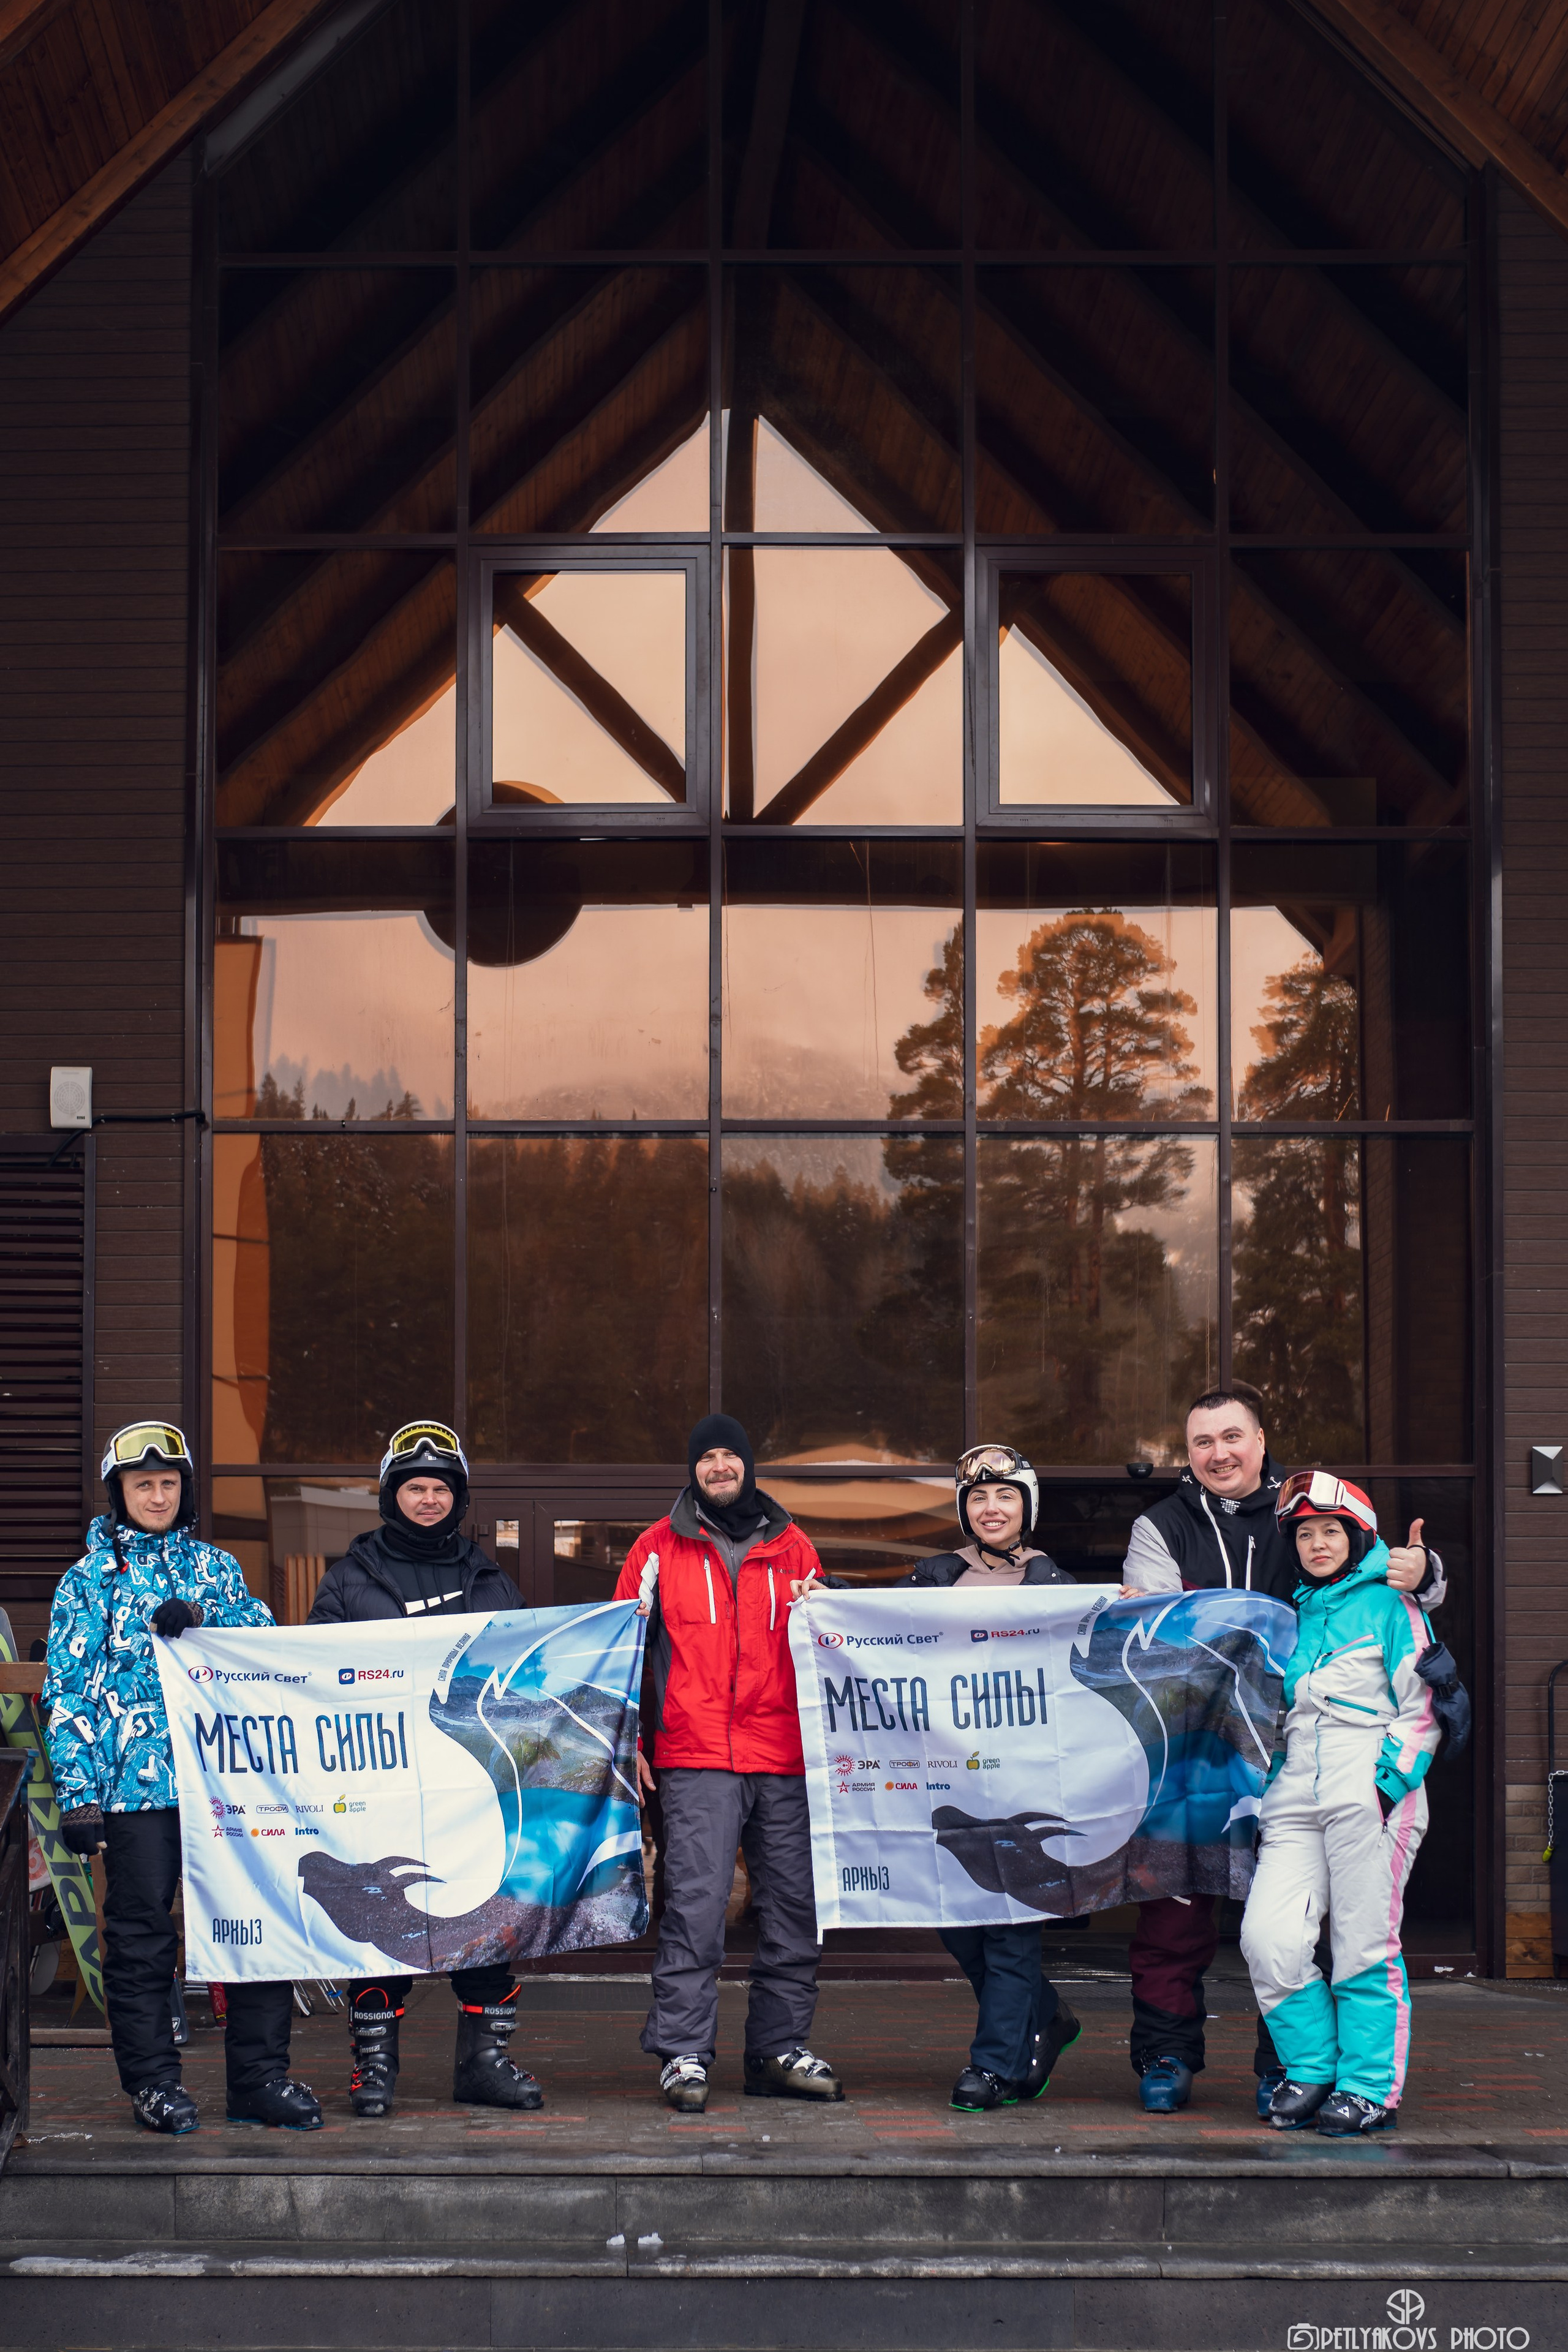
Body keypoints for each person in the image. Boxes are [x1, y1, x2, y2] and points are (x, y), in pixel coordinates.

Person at [1119, 1384, 1446, 2115]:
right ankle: (1168, 2054)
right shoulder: (1161, 1524)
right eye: (1202, 1442)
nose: (1218, 1453)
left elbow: (1392, 1587)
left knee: (1343, 1937)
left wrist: (1427, 1576)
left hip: (1308, 1764)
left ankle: (1309, 2075)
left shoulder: (1306, 1513)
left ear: (1261, 1441)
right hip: (1198, 1753)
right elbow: (1157, 1632)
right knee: (1188, 1917)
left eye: (1232, 1437)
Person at [42, 1422, 320, 2134]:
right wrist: (79, 1796)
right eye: (143, 1485)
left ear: (184, 1489)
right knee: (141, 1937)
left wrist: (204, 1617)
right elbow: (68, 1691)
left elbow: (262, 1641)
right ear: (119, 1493)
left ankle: (258, 2079)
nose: (157, 1495)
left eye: (168, 1484)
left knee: (256, 1928)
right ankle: (154, 2085)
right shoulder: (87, 1581)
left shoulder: (216, 1567)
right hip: (136, 1793)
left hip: (225, 1784)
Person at [307, 1419, 543, 2117]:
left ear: (456, 1497)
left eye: (440, 1488)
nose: (429, 1500)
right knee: (382, 1922)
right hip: (380, 1782)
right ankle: (373, 2067)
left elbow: (528, 1675)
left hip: (469, 1787)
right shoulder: (348, 1581)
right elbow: (314, 1671)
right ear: (391, 1495)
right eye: (415, 1487)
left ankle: (485, 2064)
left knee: (488, 1918)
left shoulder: (490, 1579)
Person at [613, 1413, 843, 2114]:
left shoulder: (794, 1545)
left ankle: (778, 2048)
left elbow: (834, 1644)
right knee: (695, 1908)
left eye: (728, 1456)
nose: (718, 1467)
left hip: (783, 1757)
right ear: (693, 1470)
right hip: (695, 1755)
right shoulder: (655, 1549)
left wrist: (825, 1604)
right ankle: (684, 2053)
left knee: (795, 1910)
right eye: (706, 1457)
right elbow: (615, 1652)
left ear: (747, 1465)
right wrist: (627, 1742)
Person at [1240, 1474, 1438, 2135]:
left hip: (1368, 1784)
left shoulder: (1393, 1603)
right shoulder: (1294, 1613)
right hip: (1294, 1788)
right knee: (1267, 1939)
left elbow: (1423, 1709)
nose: (1317, 1543)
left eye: (1330, 1530)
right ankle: (1313, 2066)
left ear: (1356, 1537)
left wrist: (1386, 1785)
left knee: (1361, 1946)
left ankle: (1368, 2087)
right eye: (1304, 1533)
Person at [900, 1444, 1083, 2113]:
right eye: (977, 1498)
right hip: (945, 1779)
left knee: (1008, 1924)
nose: (990, 1508)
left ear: (1026, 1507)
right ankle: (1046, 2016)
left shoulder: (1058, 1586)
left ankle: (994, 2065)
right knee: (956, 1921)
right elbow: (870, 1633)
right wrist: (823, 1598)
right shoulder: (931, 1576)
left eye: (1005, 1496)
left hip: (1020, 1781)